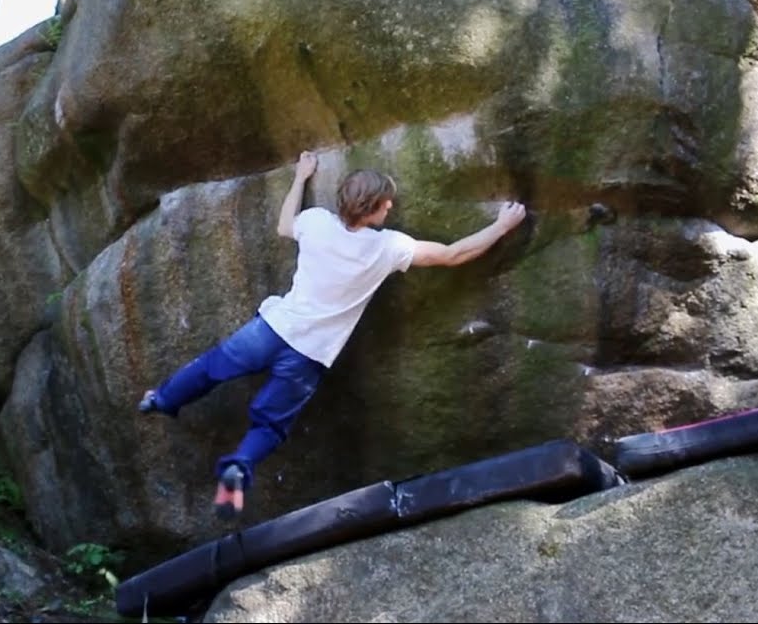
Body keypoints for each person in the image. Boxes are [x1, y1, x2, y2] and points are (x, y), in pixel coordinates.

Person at [138, 150, 528, 519]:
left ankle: (162, 398)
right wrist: (501, 225)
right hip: (307, 354)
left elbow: (284, 225)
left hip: (271, 329)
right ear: (371, 207)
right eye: (385, 202)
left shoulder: (317, 221)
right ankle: (239, 465)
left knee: (210, 368)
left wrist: (299, 177)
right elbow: (452, 254)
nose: (390, 207)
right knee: (269, 424)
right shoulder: (387, 247)